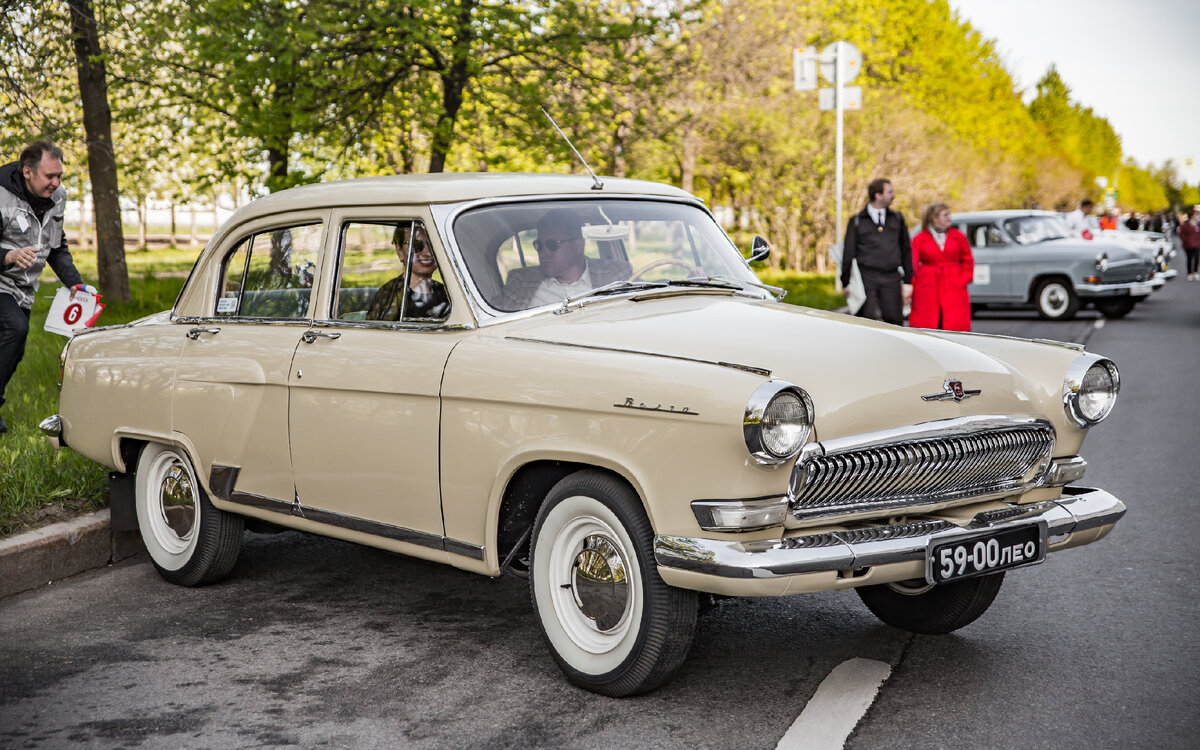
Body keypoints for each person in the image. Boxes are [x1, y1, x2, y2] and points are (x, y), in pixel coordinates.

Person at [1, 141, 88, 435]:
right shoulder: (1, 196)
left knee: (16, 351)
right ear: (27, 172)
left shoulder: (57, 197)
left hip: (23, 288)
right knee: (15, 329)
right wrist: (8, 256)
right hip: (1, 281)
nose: (56, 183)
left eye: (60, 176)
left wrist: (73, 281)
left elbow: (56, 246)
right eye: (50, 176)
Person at [499, 208, 630, 310]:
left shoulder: (617, 275)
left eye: (552, 245)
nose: (543, 252)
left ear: (577, 245)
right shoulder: (520, 282)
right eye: (538, 245)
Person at [841, 178, 913, 325]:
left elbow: (906, 250)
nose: (893, 195)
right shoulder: (857, 221)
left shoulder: (897, 218)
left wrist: (908, 281)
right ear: (878, 195)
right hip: (866, 278)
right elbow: (848, 253)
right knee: (866, 322)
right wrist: (845, 282)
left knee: (894, 322)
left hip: (891, 278)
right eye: (890, 192)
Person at [908, 203, 974, 331]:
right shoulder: (919, 239)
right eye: (945, 215)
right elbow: (912, 265)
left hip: (953, 284)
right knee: (928, 322)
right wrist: (913, 285)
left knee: (954, 323)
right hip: (927, 286)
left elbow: (968, 261)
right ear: (935, 218)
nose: (949, 217)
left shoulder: (959, 236)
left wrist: (962, 279)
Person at [366, 223, 450, 320]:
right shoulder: (387, 296)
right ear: (399, 251)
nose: (427, 253)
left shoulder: (450, 294)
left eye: (433, 245)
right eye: (416, 245)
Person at [1178, 208, 1200, 281]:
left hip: (1197, 244)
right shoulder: (1186, 225)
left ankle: (1195, 272)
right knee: (1189, 259)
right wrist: (1186, 240)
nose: (1196, 216)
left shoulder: (1197, 224)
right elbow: (1181, 234)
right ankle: (1189, 273)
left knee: (1197, 258)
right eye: (1195, 215)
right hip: (1188, 245)